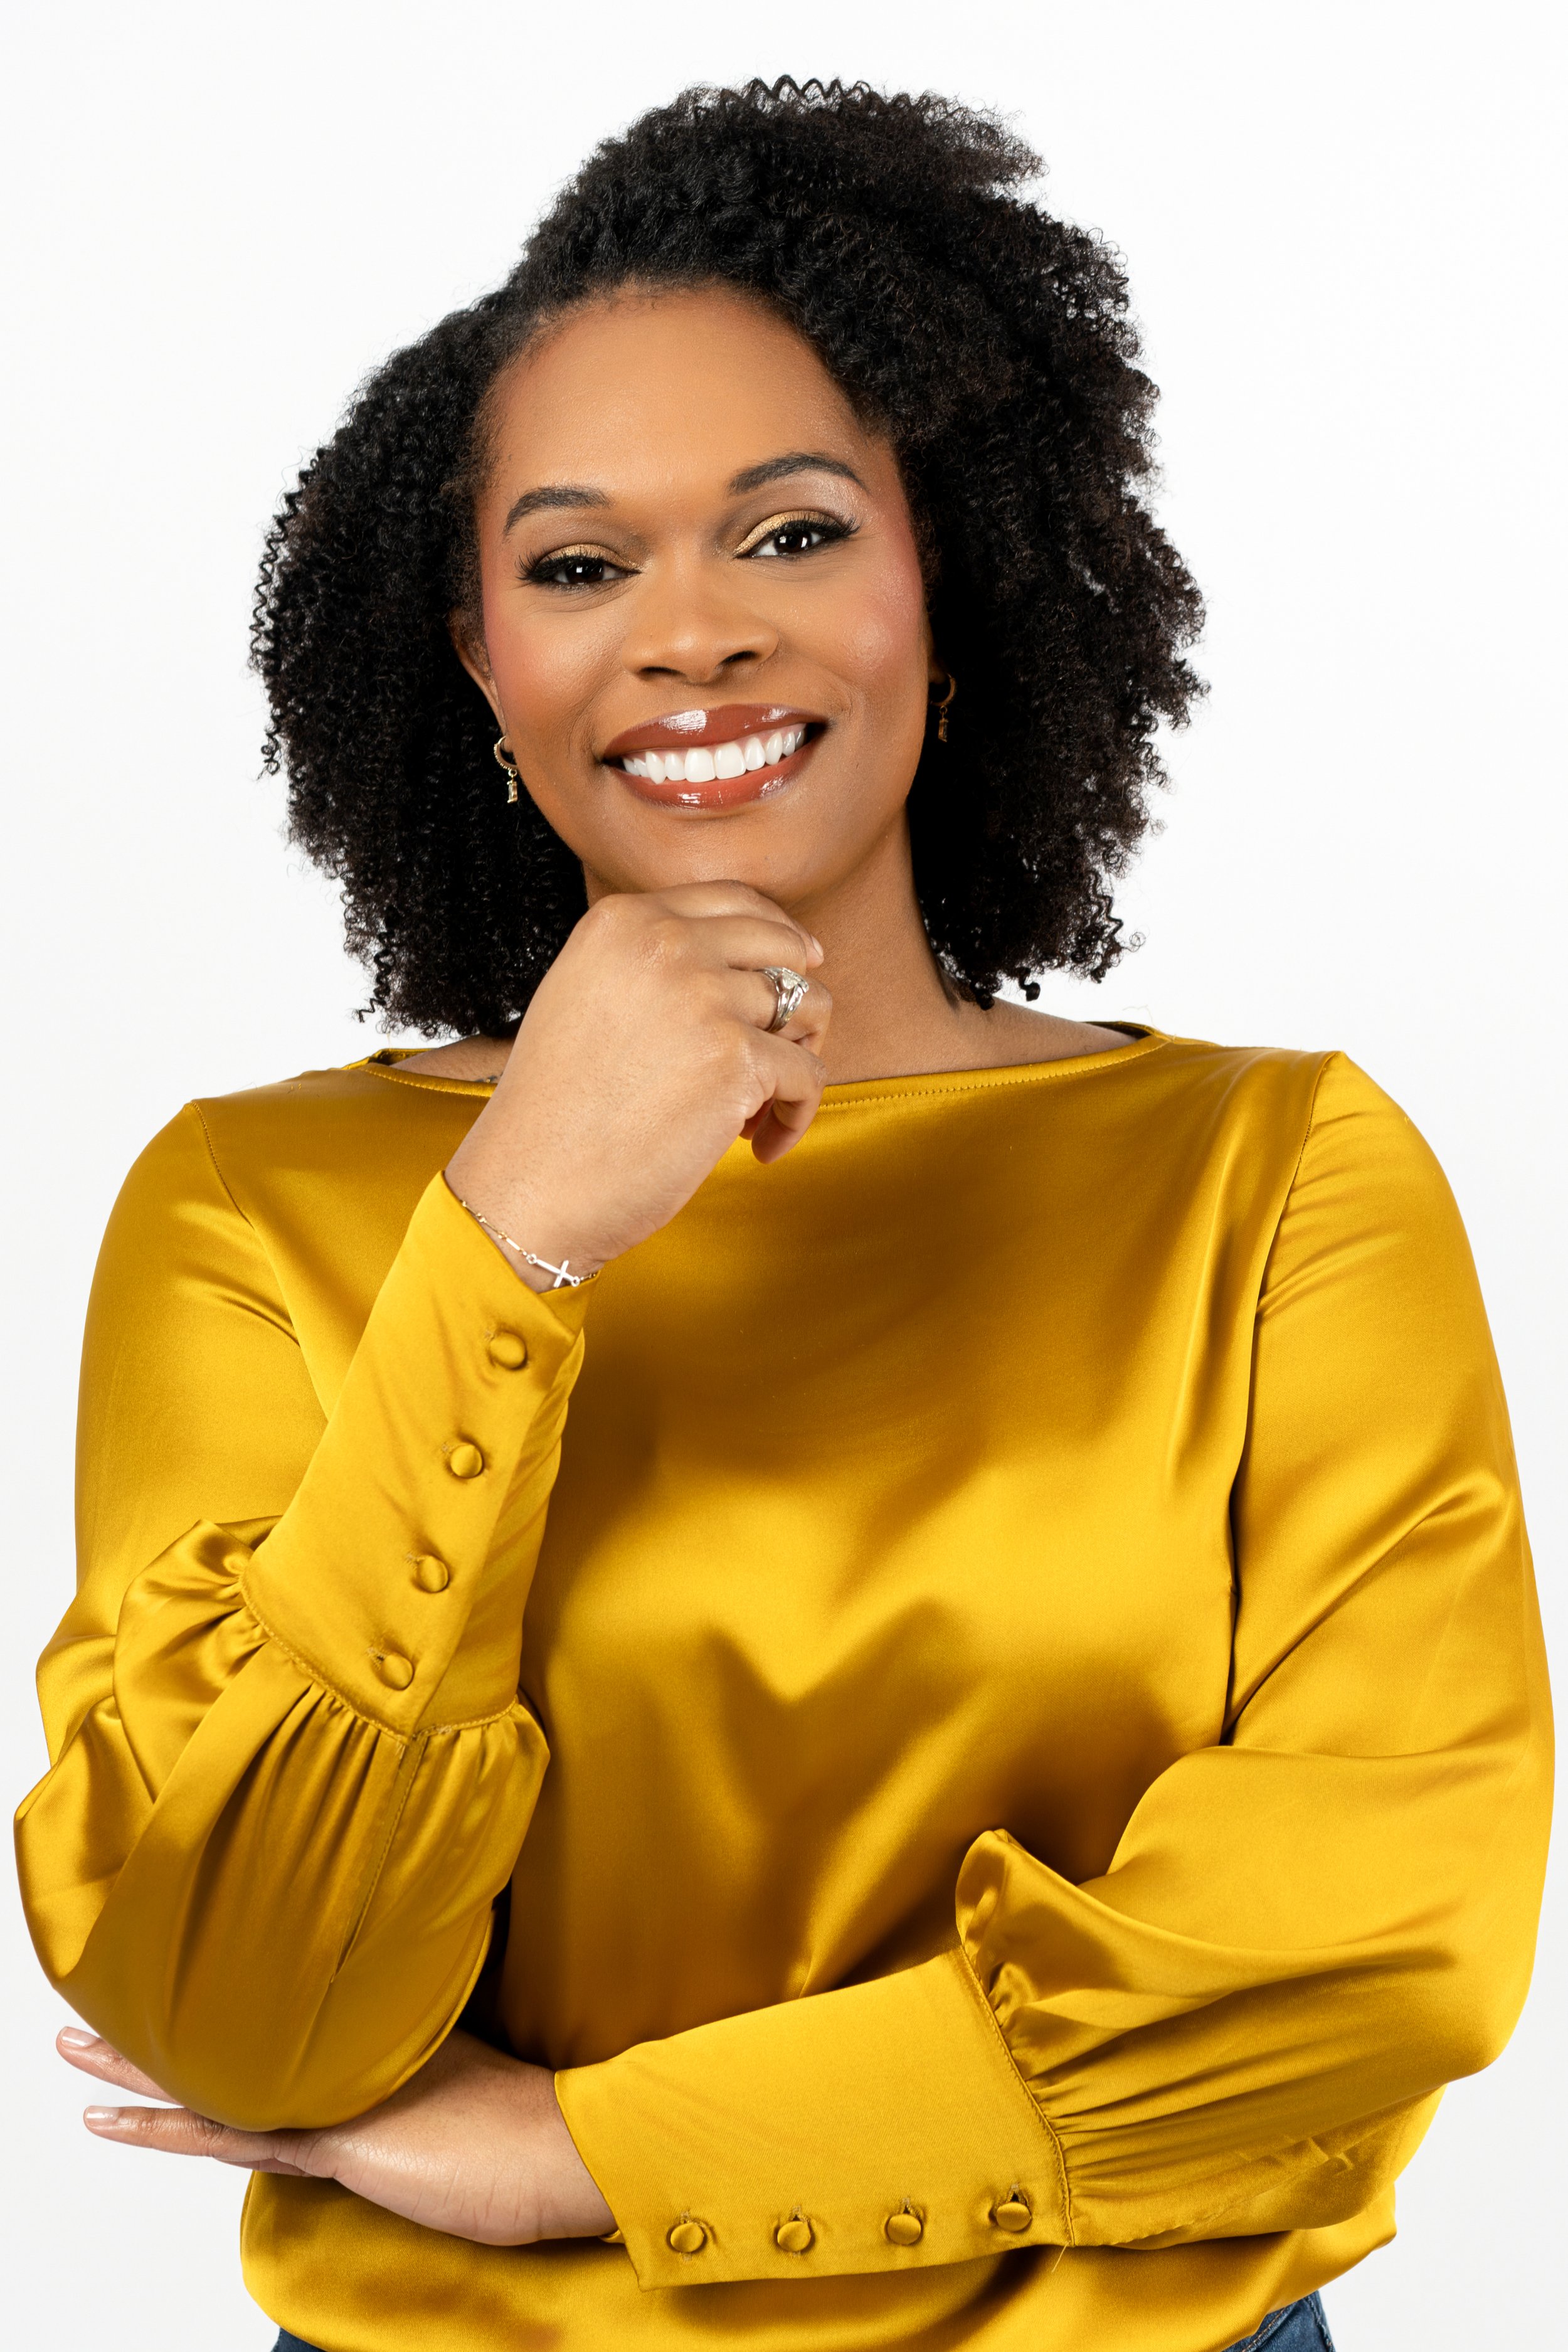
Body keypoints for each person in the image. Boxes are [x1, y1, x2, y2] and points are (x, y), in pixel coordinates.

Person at [15, 77, 1549, 2352]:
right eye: (574, 563)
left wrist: (591, 2161)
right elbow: (242, 1999)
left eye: (794, 532)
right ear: (478, 661)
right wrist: (514, 1230)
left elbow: (1363, 1956)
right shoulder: (256, 1209)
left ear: (955, 570)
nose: (694, 633)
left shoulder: (1275, 1177)